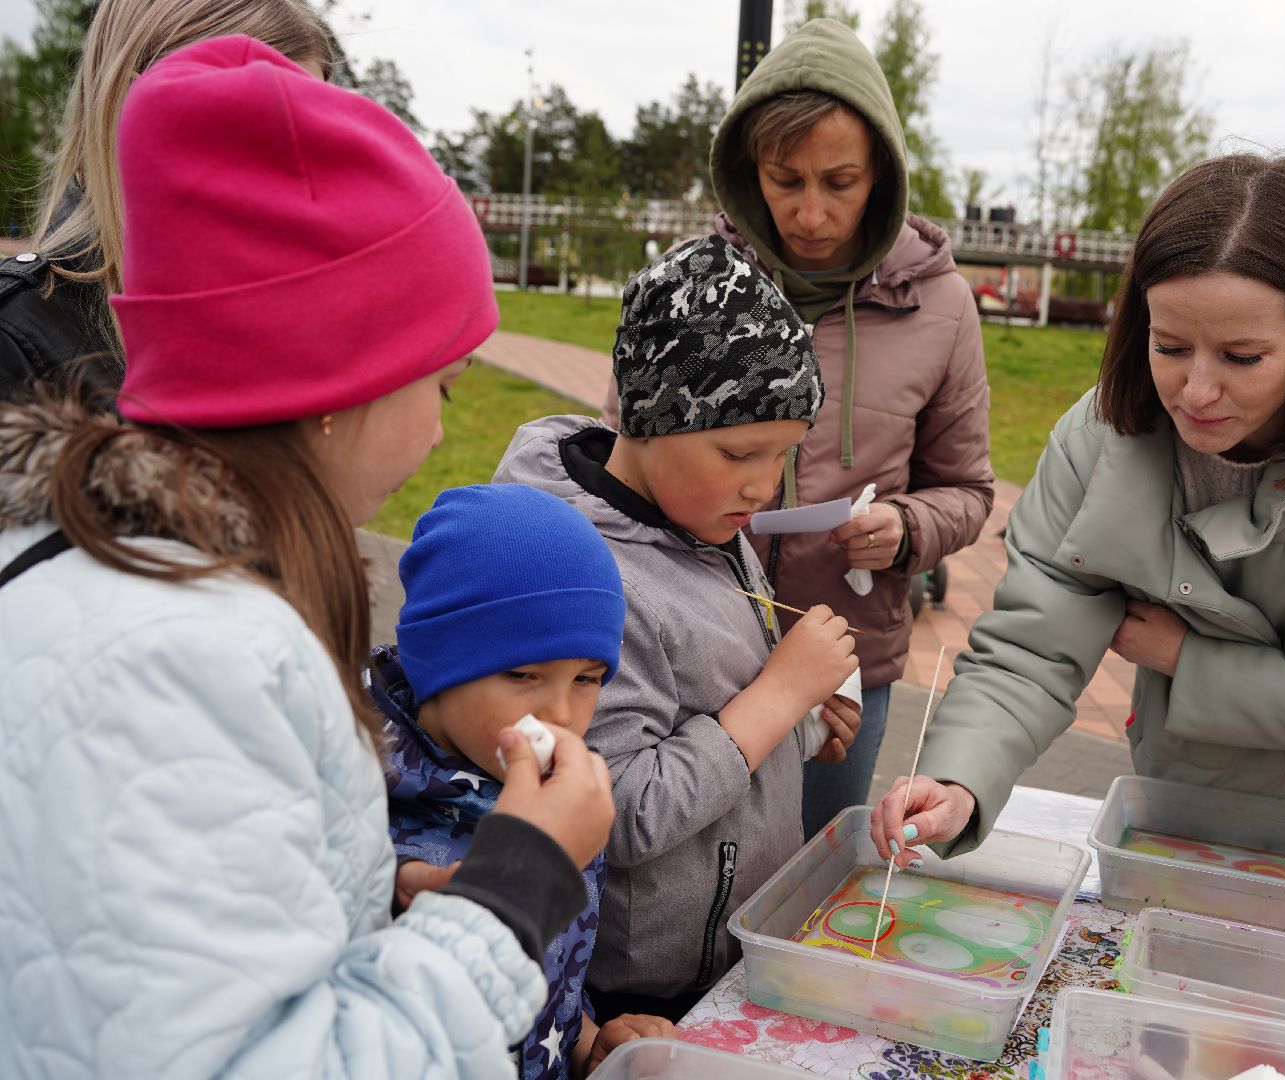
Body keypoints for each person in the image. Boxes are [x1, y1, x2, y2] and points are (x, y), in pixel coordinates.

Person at [0, 37, 616, 1077]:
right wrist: (516, 888)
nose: (438, 429)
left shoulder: (119, 581)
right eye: (442, 384)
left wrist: (366, 902)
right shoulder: (192, 661)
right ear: (340, 380)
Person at [870, 154, 1285, 863]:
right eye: (1169, 346)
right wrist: (959, 777)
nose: (1196, 392)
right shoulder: (1096, 441)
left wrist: (1190, 661)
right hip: (1191, 802)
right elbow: (1033, 644)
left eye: (1243, 357)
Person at [605, 18, 994, 838]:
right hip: (693, 653)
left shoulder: (943, 305)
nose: (810, 213)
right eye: (785, 180)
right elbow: (622, 463)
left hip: (846, 668)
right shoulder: (696, 288)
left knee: (812, 874)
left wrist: (907, 527)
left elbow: (967, 488)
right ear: (748, 169)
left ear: (881, 172)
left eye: (839, 182)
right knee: (685, 869)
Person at [497, 235, 859, 1022]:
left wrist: (798, 725)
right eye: (739, 452)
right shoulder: (591, 577)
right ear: (653, 417)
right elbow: (619, 810)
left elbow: (713, 699)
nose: (763, 487)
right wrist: (778, 697)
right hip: (641, 991)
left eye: (783, 457)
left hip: (729, 952)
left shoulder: (705, 519)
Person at [372, 484, 675, 1077]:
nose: (561, 715)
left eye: (587, 679)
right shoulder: (357, 808)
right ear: (438, 662)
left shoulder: (560, 789)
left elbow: (551, 969)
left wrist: (585, 1043)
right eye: (523, 674)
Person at [0, 0, 335, 402]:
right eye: (257, 121)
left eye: (314, 126)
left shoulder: (293, 306)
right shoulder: (17, 339)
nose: (295, 164)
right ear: (131, 107)